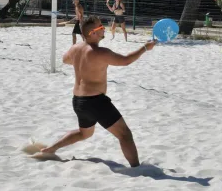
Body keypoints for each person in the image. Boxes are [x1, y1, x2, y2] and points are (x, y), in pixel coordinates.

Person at [39, 15, 156, 167]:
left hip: (78, 101)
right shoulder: (100, 52)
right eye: (100, 27)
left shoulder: (76, 48)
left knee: (84, 133)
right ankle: (136, 168)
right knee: (124, 134)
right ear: (92, 33)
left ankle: (50, 149)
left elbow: (65, 60)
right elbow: (126, 61)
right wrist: (145, 48)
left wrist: (82, 62)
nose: (103, 28)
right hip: (95, 102)